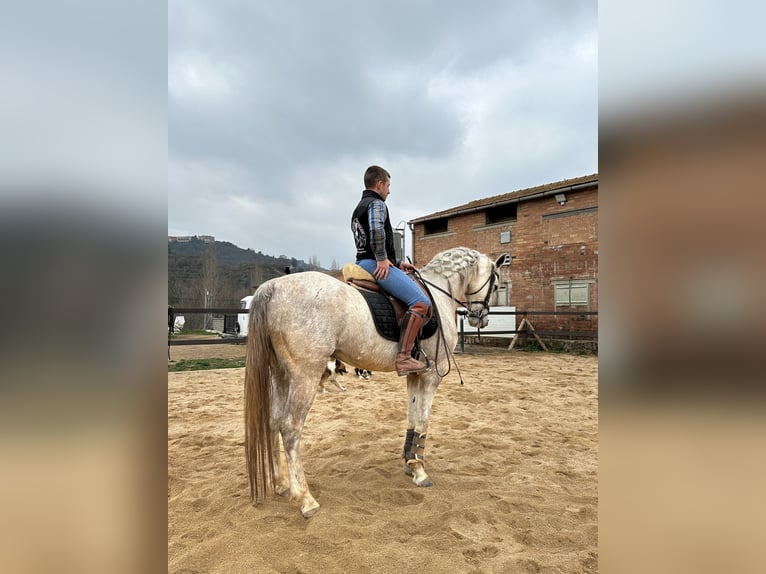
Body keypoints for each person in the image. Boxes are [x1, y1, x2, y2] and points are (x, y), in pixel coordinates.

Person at [351, 165, 431, 376]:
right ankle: (404, 357)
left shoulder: (359, 206)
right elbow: (377, 231)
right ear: (379, 184)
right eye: (388, 185)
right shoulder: (377, 204)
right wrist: (382, 259)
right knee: (422, 302)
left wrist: (395, 262)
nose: (389, 190)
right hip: (374, 263)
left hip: (362, 262)